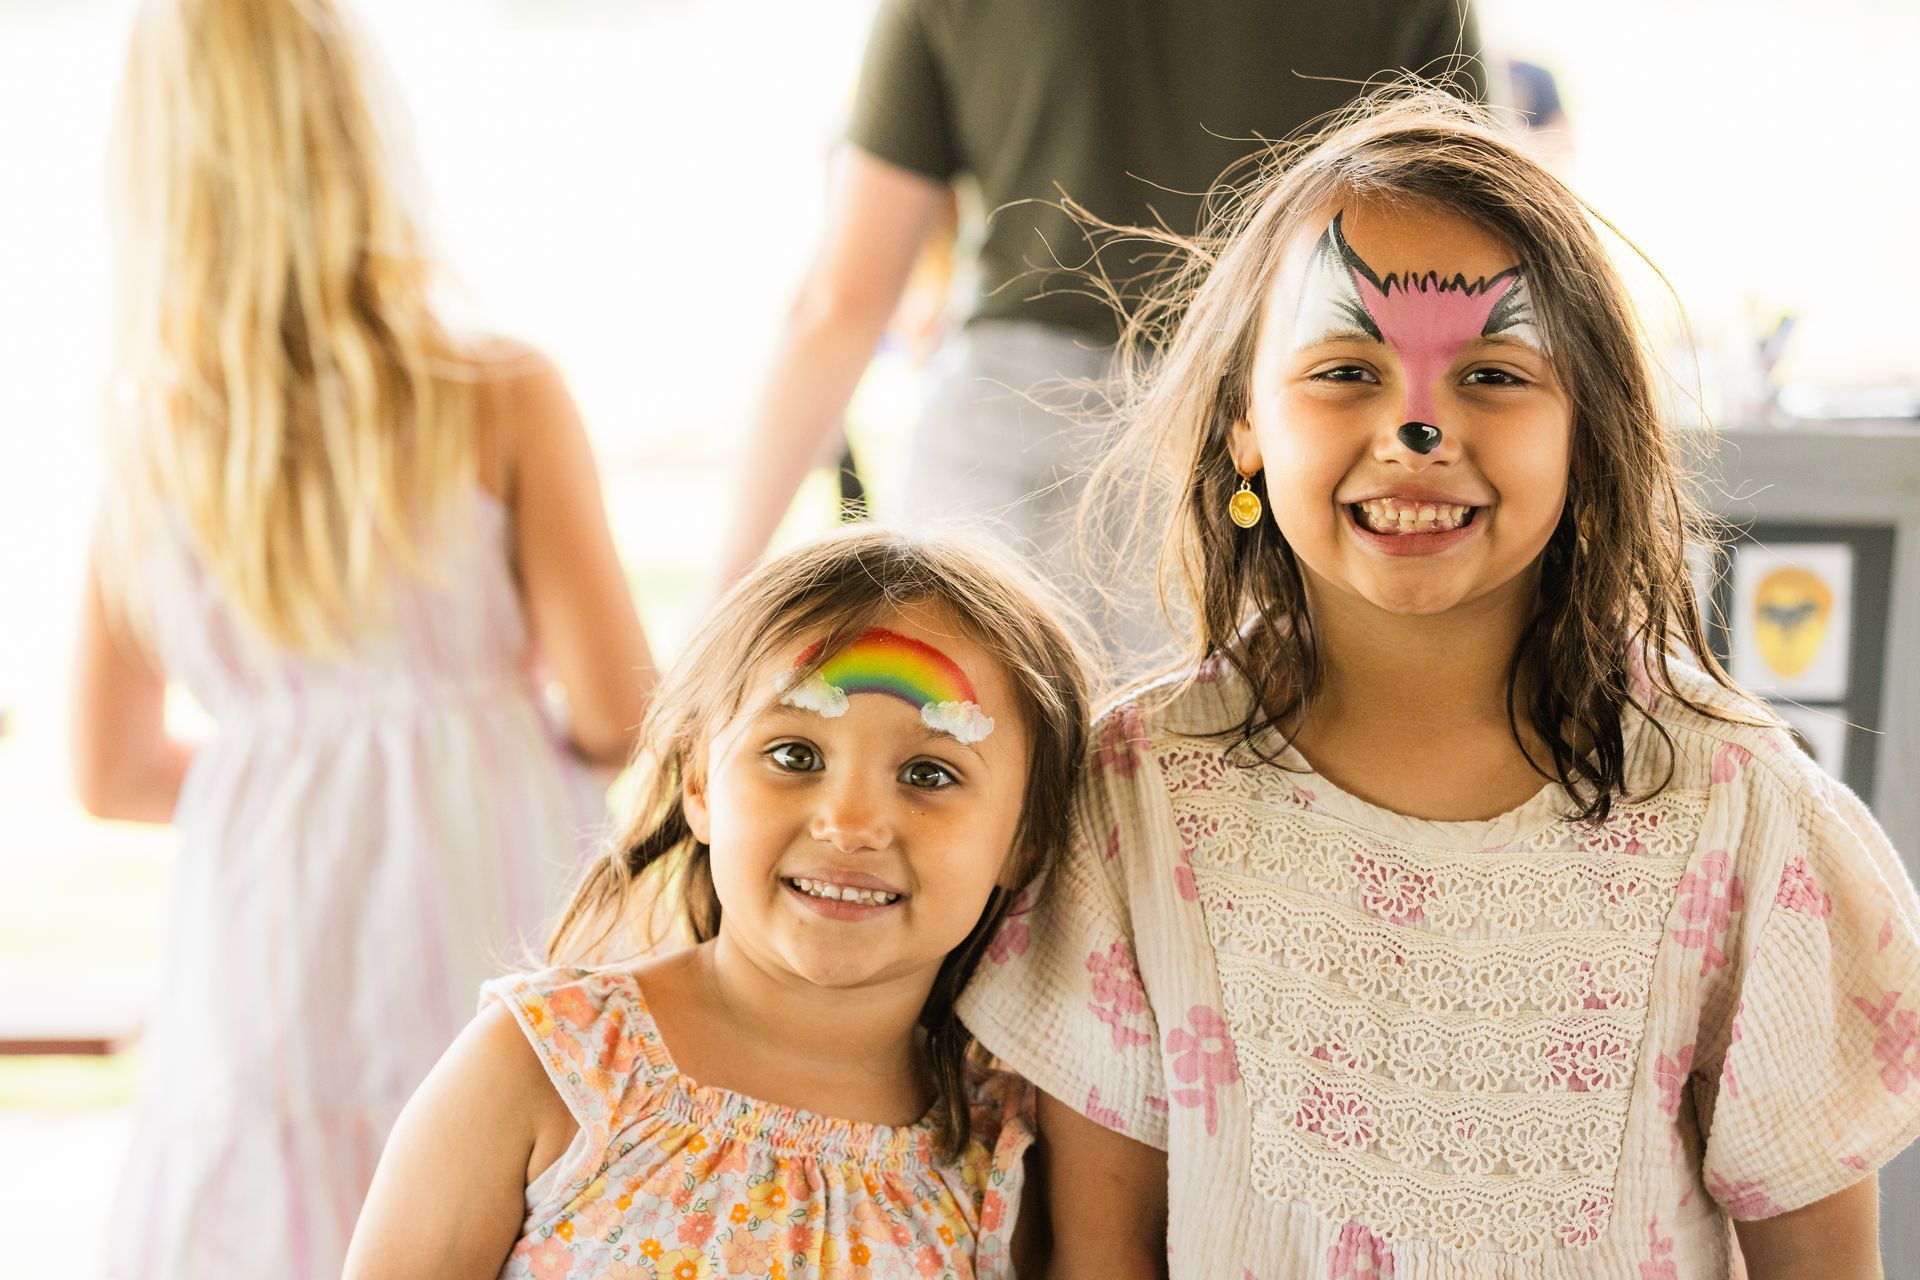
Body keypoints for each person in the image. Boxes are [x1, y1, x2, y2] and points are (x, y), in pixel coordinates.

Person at [956, 88, 1920, 1277]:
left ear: (1590, 425)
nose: (1417, 429)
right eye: (1347, 370)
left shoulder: (1738, 808)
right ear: (1243, 424)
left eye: (1495, 376)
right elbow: (1100, 1255)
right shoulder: (1134, 795)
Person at [70, 1, 654, 1275]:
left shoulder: (150, 441)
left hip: (262, 919)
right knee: (492, 1166)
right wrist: (446, 741)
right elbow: (623, 710)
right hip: (483, 886)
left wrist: (296, 761)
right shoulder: (500, 393)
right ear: (358, 133)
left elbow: (107, 771)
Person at [343, 527, 1094, 1279]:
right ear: (699, 785)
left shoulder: (1010, 1153)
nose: (850, 824)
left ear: (1026, 832)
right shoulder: (548, 1065)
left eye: (929, 773)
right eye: (795, 756)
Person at [711, 0, 1480, 670]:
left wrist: (717, 619)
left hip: (999, 449)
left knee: (964, 783)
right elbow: (1480, 246)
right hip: (1252, 445)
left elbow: (843, 302)